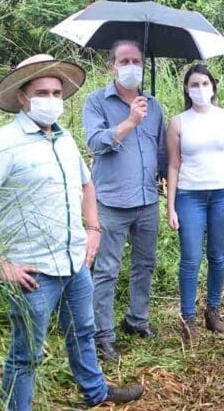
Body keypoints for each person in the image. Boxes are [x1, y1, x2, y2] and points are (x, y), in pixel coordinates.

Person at [0, 54, 143, 411]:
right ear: (22, 97)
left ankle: (95, 392)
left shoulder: (64, 138)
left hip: (73, 259)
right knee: (27, 353)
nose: (51, 99)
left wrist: (93, 229)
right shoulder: (3, 142)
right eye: (42, 92)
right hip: (33, 270)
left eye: (57, 93)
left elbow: (86, 184)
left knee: (83, 331)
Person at [82, 40, 167, 362]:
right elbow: (95, 143)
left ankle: (137, 320)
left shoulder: (153, 106)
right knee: (106, 269)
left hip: (147, 200)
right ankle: (102, 334)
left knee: (145, 264)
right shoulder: (96, 102)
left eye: (136, 61)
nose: (131, 66)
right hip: (111, 201)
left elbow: (161, 151)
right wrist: (129, 121)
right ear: (112, 66)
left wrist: (168, 189)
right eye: (124, 61)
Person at [166, 64, 224, 338]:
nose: (200, 89)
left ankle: (213, 310)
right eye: (194, 85)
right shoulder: (178, 122)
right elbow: (173, 165)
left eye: (204, 84)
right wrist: (170, 206)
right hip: (190, 196)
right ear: (186, 90)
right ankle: (188, 318)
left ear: (213, 86)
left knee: (218, 256)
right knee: (191, 258)